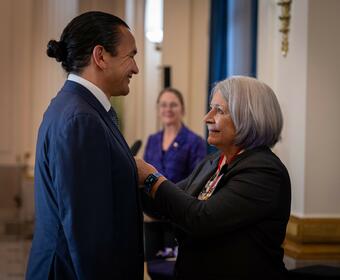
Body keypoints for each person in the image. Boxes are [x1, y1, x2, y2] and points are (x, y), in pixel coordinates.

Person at [136, 76, 291, 279]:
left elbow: (201, 219)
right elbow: (166, 204)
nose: (207, 118)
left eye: (219, 110)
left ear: (247, 116)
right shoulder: (213, 161)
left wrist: (150, 178)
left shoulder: (264, 171)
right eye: (211, 108)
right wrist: (134, 180)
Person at [26, 11, 144, 279]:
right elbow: (89, 237)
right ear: (100, 56)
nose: (136, 68)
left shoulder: (77, 108)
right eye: (131, 56)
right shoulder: (81, 119)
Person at [143, 88, 206, 260]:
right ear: (158, 110)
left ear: (183, 109)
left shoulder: (195, 141)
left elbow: (196, 182)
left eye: (173, 105)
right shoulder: (152, 140)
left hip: (178, 220)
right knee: (154, 267)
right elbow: (145, 177)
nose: (168, 109)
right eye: (163, 105)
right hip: (152, 219)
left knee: (174, 270)